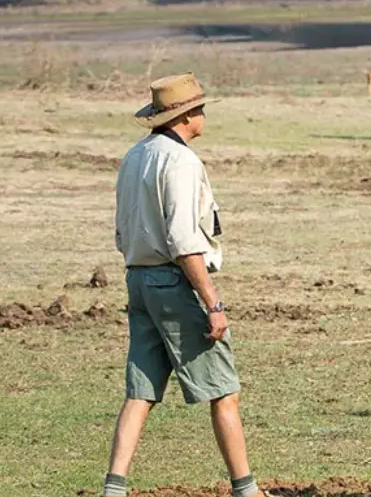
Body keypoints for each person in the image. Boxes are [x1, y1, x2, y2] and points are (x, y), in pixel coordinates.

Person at [107, 73, 264, 497]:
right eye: (200, 108)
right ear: (187, 116)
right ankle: (246, 490)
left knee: (141, 389)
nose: (204, 115)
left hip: (138, 279)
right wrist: (212, 302)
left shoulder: (135, 155)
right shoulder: (182, 162)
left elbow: (122, 232)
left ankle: (114, 488)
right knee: (225, 390)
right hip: (174, 282)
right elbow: (183, 241)